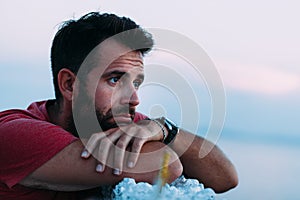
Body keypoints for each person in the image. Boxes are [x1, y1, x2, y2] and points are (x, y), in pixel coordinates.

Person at [0, 12, 238, 199]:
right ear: (70, 84)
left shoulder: (114, 122)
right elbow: (163, 165)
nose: (134, 99)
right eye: (115, 79)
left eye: (136, 83)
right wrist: (160, 139)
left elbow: (226, 178)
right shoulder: (15, 134)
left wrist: (162, 128)